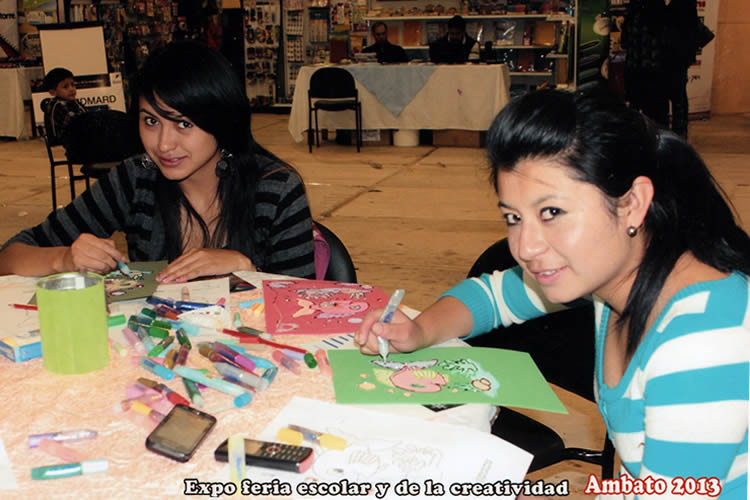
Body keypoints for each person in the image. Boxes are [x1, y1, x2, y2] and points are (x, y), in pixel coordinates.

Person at [355, 89, 749, 498]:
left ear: (632, 204)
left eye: (552, 213)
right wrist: (418, 331)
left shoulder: (703, 341)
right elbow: (491, 297)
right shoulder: (619, 277)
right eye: (514, 217)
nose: (525, 247)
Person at [0, 40, 316, 282]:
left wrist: (248, 270)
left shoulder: (275, 189)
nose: (163, 144)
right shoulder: (136, 178)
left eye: (183, 124)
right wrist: (63, 259)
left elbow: (303, 305)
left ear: (222, 120)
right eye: (151, 121)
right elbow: (10, 257)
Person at [621, 0, 698, 138]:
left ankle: (668, 137)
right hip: (653, 67)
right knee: (665, 105)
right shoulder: (653, 8)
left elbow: (626, 40)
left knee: (670, 103)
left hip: (656, 66)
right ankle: (669, 138)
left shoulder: (648, 8)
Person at [42, 67, 87, 145]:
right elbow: (77, 122)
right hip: (65, 141)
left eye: (73, 85)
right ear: (53, 92)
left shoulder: (73, 102)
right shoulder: (58, 105)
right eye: (65, 87)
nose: (71, 89)